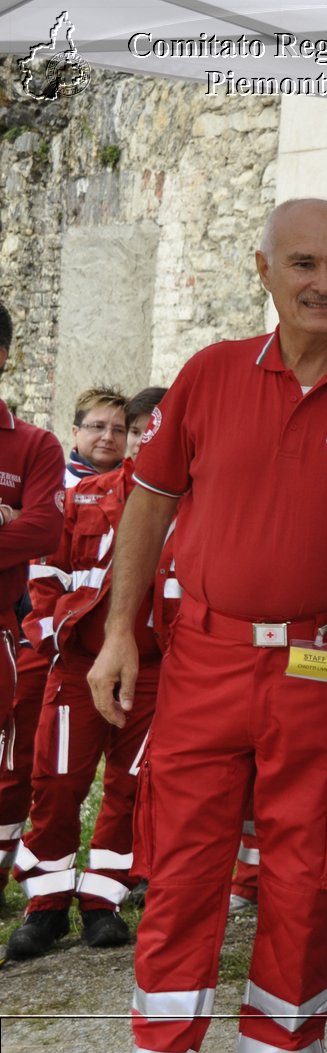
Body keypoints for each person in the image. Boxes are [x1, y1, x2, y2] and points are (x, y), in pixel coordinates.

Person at [87, 198, 327, 1053]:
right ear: (263, 271)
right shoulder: (210, 373)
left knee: (306, 877)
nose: (322, 284)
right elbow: (149, 504)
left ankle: (280, 1049)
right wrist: (119, 634)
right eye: (303, 264)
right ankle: (163, 1046)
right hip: (207, 661)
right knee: (182, 867)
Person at [5, 386, 173, 961]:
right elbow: (45, 573)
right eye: (136, 431)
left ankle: (103, 902)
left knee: (129, 786)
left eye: (155, 432)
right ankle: (45, 906)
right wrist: (54, 642)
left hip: (152, 671)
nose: (142, 442)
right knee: (56, 783)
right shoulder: (83, 497)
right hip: (78, 666)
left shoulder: (193, 506)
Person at [0, 386, 126, 881]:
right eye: (97, 426)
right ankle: (13, 862)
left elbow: (36, 529)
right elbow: (41, 544)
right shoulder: (59, 479)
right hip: (38, 638)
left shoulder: (137, 489)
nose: (108, 437)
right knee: (19, 755)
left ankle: (104, 879)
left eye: (120, 429)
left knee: (81, 766)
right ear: (75, 432)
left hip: (93, 649)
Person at [0, 301, 67, 886]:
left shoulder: (33, 446)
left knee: (5, 766)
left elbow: (43, 529)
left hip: (2, 631)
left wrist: (16, 522)